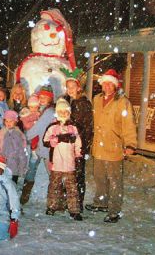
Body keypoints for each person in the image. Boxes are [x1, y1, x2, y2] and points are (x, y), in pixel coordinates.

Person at [85, 69, 137, 223]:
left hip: (114, 147)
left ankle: (114, 210)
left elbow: (129, 125)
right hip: (98, 147)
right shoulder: (96, 99)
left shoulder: (122, 102)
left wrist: (130, 144)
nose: (107, 86)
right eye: (104, 83)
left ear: (115, 86)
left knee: (114, 180)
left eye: (110, 84)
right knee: (99, 177)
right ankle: (101, 202)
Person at [43, 98, 83, 220]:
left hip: (70, 163)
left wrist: (78, 154)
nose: (63, 114)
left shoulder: (73, 128)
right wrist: (52, 141)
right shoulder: (52, 127)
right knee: (54, 186)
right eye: (60, 112)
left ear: (69, 113)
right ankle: (52, 206)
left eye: (65, 111)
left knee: (72, 188)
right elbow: (45, 141)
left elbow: (78, 143)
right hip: (56, 163)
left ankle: (74, 210)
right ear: (57, 113)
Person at [61, 69, 93, 212]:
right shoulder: (66, 101)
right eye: (68, 87)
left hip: (78, 145)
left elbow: (85, 127)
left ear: (79, 87)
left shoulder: (83, 103)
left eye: (73, 86)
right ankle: (67, 202)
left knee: (78, 175)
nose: (70, 89)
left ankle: (77, 205)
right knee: (67, 174)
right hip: (66, 145)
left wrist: (82, 146)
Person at [20, 85, 55, 207]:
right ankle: (24, 197)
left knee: (52, 173)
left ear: (50, 98)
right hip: (40, 146)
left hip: (46, 148)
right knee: (32, 169)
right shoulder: (42, 110)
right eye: (41, 96)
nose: (43, 99)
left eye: (46, 97)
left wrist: (26, 136)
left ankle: (56, 200)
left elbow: (38, 128)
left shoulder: (49, 112)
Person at [0, 110, 28, 184]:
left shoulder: (19, 133)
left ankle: (11, 191)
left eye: (11, 121)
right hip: (3, 160)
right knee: (2, 178)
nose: (8, 123)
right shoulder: (1, 133)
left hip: (14, 161)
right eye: (6, 121)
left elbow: (22, 148)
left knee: (12, 180)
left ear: (15, 121)